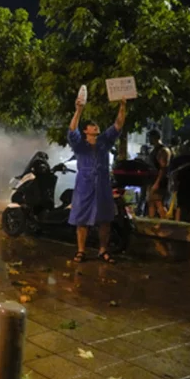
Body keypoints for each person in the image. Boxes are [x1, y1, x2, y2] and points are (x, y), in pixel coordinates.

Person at [67, 96, 127, 264]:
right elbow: (72, 131)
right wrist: (78, 111)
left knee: (105, 219)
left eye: (96, 125)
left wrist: (122, 106)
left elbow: (118, 125)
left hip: (102, 184)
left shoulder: (104, 142)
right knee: (82, 219)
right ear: (86, 131)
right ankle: (81, 251)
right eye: (92, 125)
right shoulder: (80, 145)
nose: (96, 127)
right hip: (84, 184)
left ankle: (103, 250)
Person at [147, 129, 171, 219]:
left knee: (158, 202)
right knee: (151, 202)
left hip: (159, 180)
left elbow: (163, 167)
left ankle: (165, 221)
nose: (149, 139)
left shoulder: (162, 150)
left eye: (150, 137)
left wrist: (157, 183)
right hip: (152, 179)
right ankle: (152, 223)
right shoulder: (154, 150)